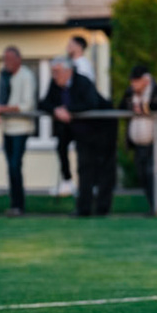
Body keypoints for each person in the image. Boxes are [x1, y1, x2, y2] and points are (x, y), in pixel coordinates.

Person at [39, 58, 115, 216]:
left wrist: (68, 110)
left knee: (103, 169)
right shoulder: (55, 84)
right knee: (83, 166)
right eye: (53, 72)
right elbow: (43, 103)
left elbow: (91, 103)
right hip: (79, 131)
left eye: (57, 72)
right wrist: (56, 110)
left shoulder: (83, 82)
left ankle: (102, 208)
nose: (54, 76)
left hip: (101, 129)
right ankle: (83, 208)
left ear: (68, 71)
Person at [0, 45, 36, 216]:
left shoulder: (26, 76)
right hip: (7, 128)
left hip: (21, 128)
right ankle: (14, 204)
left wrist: (3, 109)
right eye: (4, 59)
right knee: (11, 167)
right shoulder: (4, 76)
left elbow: (27, 105)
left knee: (15, 165)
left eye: (9, 59)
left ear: (18, 59)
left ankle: (19, 205)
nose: (6, 63)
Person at [125, 63, 157, 216]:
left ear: (145, 80)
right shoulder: (130, 94)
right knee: (143, 176)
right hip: (138, 144)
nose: (133, 85)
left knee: (154, 175)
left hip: (155, 144)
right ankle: (153, 206)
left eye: (136, 81)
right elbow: (120, 106)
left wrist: (147, 108)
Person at [52, 35, 95, 197]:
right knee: (61, 146)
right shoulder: (67, 63)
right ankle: (67, 181)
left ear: (79, 46)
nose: (67, 47)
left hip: (80, 118)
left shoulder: (83, 65)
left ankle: (84, 188)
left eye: (71, 44)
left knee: (83, 154)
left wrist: (69, 109)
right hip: (67, 118)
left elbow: (83, 93)